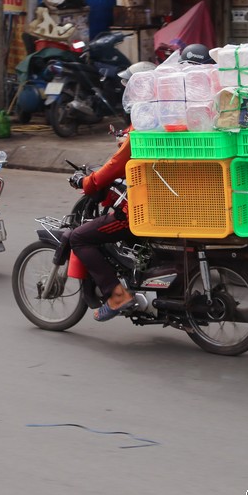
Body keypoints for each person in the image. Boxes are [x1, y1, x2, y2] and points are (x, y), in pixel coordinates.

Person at [67, 61, 155, 322]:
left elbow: (116, 165)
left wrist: (87, 183)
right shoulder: (162, 118)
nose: (124, 91)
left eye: (128, 86)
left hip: (141, 208)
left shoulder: (143, 127)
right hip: (169, 200)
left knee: (79, 238)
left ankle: (117, 296)